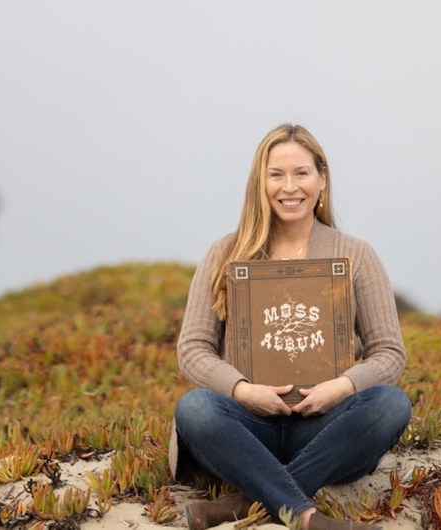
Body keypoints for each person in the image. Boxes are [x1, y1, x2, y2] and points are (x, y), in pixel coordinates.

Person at [171, 124, 411, 530]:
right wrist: (243, 391)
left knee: (391, 404)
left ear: (322, 179)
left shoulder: (356, 254)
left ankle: (248, 504)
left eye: (301, 173)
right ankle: (305, 518)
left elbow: (389, 352)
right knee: (195, 408)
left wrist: (341, 388)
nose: (289, 187)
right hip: (248, 429)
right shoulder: (224, 253)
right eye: (276, 174)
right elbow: (193, 348)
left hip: (323, 429)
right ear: (259, 182)